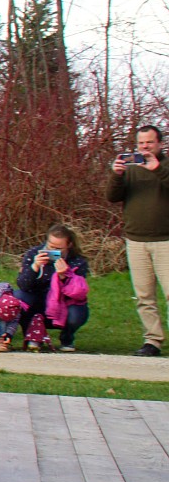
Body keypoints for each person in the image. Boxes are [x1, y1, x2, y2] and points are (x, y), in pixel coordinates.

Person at [109, 126, 169, 356]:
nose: (145, 147)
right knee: (144, 296)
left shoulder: (165, 166)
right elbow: (112, 197)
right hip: (136, 240)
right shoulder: (131, 169)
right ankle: (152, 341)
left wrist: (158, 169)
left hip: (165, 240)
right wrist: (116, 175)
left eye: (149, 142)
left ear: (160, 144)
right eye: (141, 143)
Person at [14, 224, 91, 352]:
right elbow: (23, 285)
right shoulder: (33, 253)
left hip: (63, 303)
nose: (53, 251)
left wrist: (64, 277)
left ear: (69, 245)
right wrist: (35, 267)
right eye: (50, 247)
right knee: (19, 298)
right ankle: (33, 336)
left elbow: (79, 292)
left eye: (58, 249)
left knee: (77, 313)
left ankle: (67, 338)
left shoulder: (78, 261)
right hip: (38, 300)